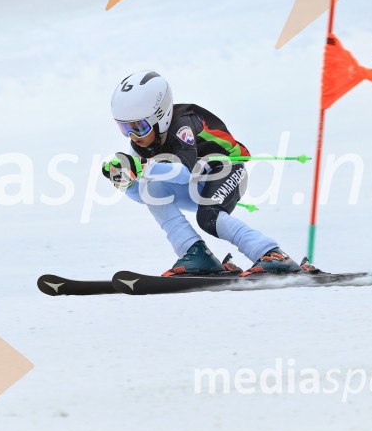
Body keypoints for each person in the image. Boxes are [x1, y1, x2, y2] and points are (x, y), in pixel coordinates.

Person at [102, 70, 314, 277]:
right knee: (153, 188)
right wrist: (126, 182)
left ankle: (271, 253)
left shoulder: (183, 125)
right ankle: (196, 253)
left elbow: (184, 173)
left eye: (139, 127)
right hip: (200, 180)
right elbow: (143, 196)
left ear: (160, 116)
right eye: (124, 128)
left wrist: (143, 166)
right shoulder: (140, 143)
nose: (132, 136)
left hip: (228, 169)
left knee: (209, 217)